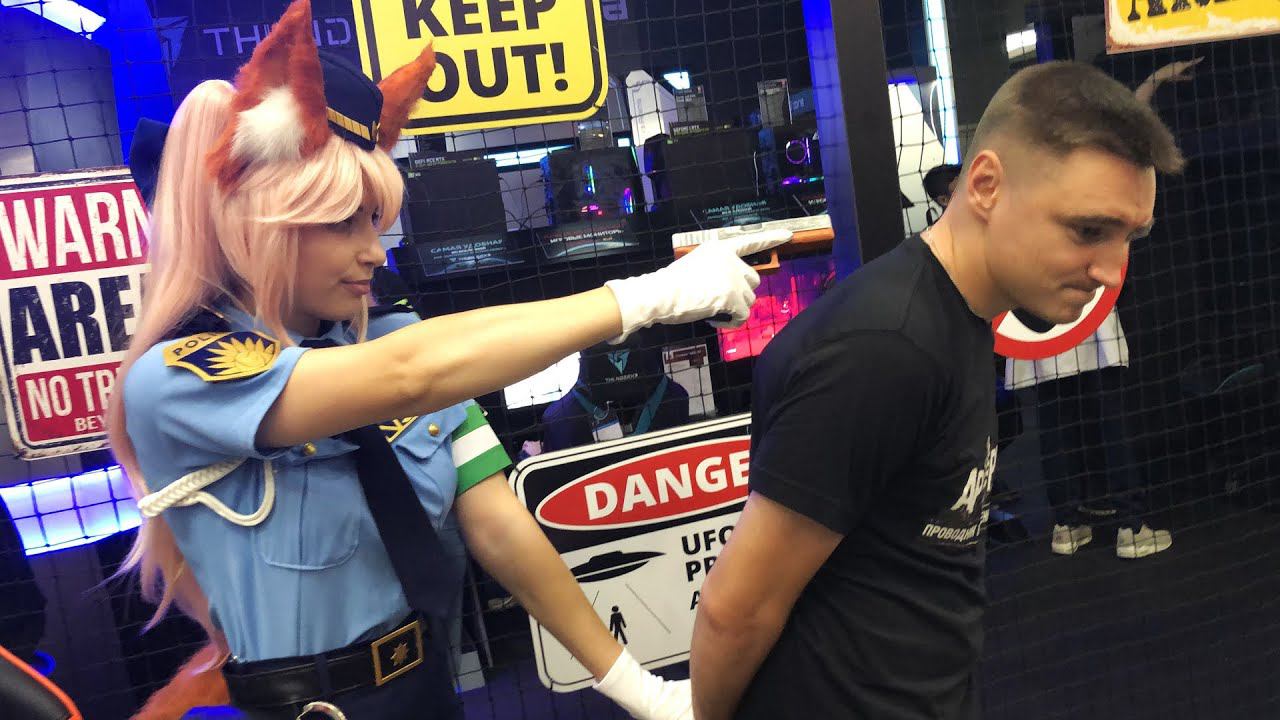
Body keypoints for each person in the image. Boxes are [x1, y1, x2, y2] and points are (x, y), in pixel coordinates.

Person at [108, 2, 787, 718]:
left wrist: (639, 688)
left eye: (374, 220)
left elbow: (497, 525)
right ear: (255, 226)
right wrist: (646, 296)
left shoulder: (386, 338)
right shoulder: (177, 379)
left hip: (430, 688)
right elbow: (409, 376)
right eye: (341, 223)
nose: (373, 251)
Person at [689, 60, 1184, 720]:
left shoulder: (961, 317)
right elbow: (735, 611)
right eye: (1088, 230)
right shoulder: (885, 349)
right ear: (985, 186)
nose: (1112, 271)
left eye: (1129, 236)